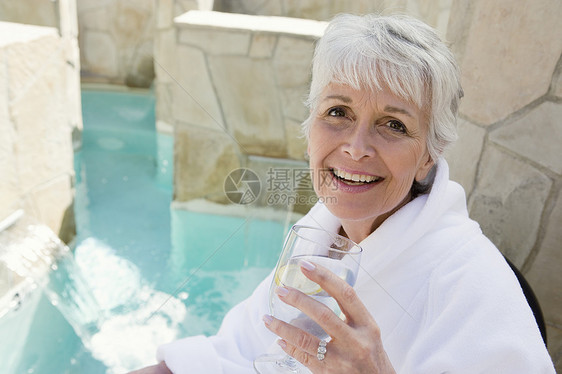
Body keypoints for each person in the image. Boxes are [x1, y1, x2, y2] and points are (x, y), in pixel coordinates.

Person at [130, 13, 555, 373]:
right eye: (338, 112)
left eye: (394, 124)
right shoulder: (321, 232)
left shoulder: (473, 286)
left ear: (429, 155)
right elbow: (240, 346)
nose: (355, 146)